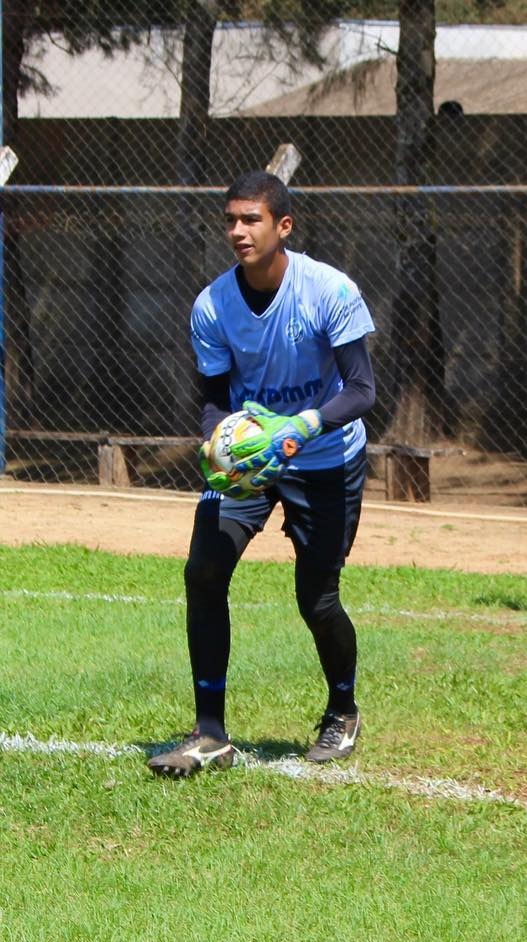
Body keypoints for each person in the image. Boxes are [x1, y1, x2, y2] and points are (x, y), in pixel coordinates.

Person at [148, 170, 377, 778]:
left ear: (284, 225)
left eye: (251, 220)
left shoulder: (329, 291)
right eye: (230, 220)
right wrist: (222, 440)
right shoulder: (212, 305)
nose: (238, 231)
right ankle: (211, 733)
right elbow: (214, 398)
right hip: (253, 463)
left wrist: (302, 425)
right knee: (203, 572)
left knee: (317, 599)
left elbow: (361, 390)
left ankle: (343, 710)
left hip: (326, 457)